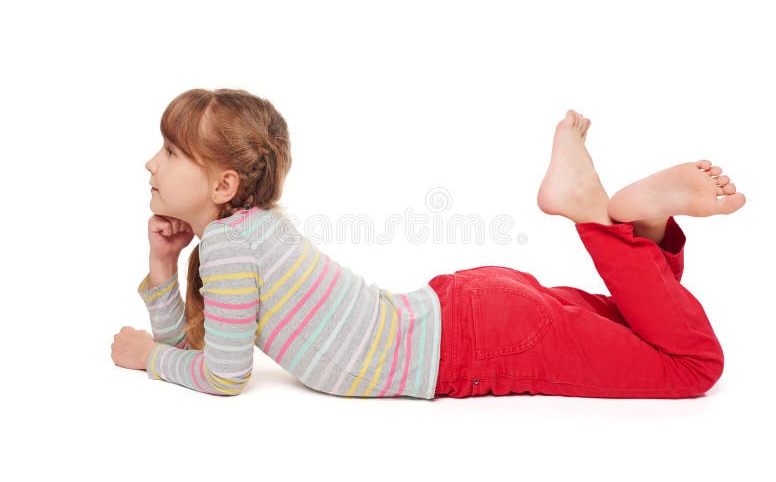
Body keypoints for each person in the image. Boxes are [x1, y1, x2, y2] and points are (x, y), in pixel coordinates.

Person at [111, 89, 746, 400]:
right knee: (649, 331)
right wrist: (163, 264)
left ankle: (601, 220)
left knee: (692, 367)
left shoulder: (227, 249)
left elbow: (222, 374)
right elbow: (200, 349)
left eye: (169, 151)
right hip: (473, 309)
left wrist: (147, 358)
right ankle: (640, 228)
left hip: (479, 341)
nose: (150, 164)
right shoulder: (246, 231)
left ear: (223, 184)